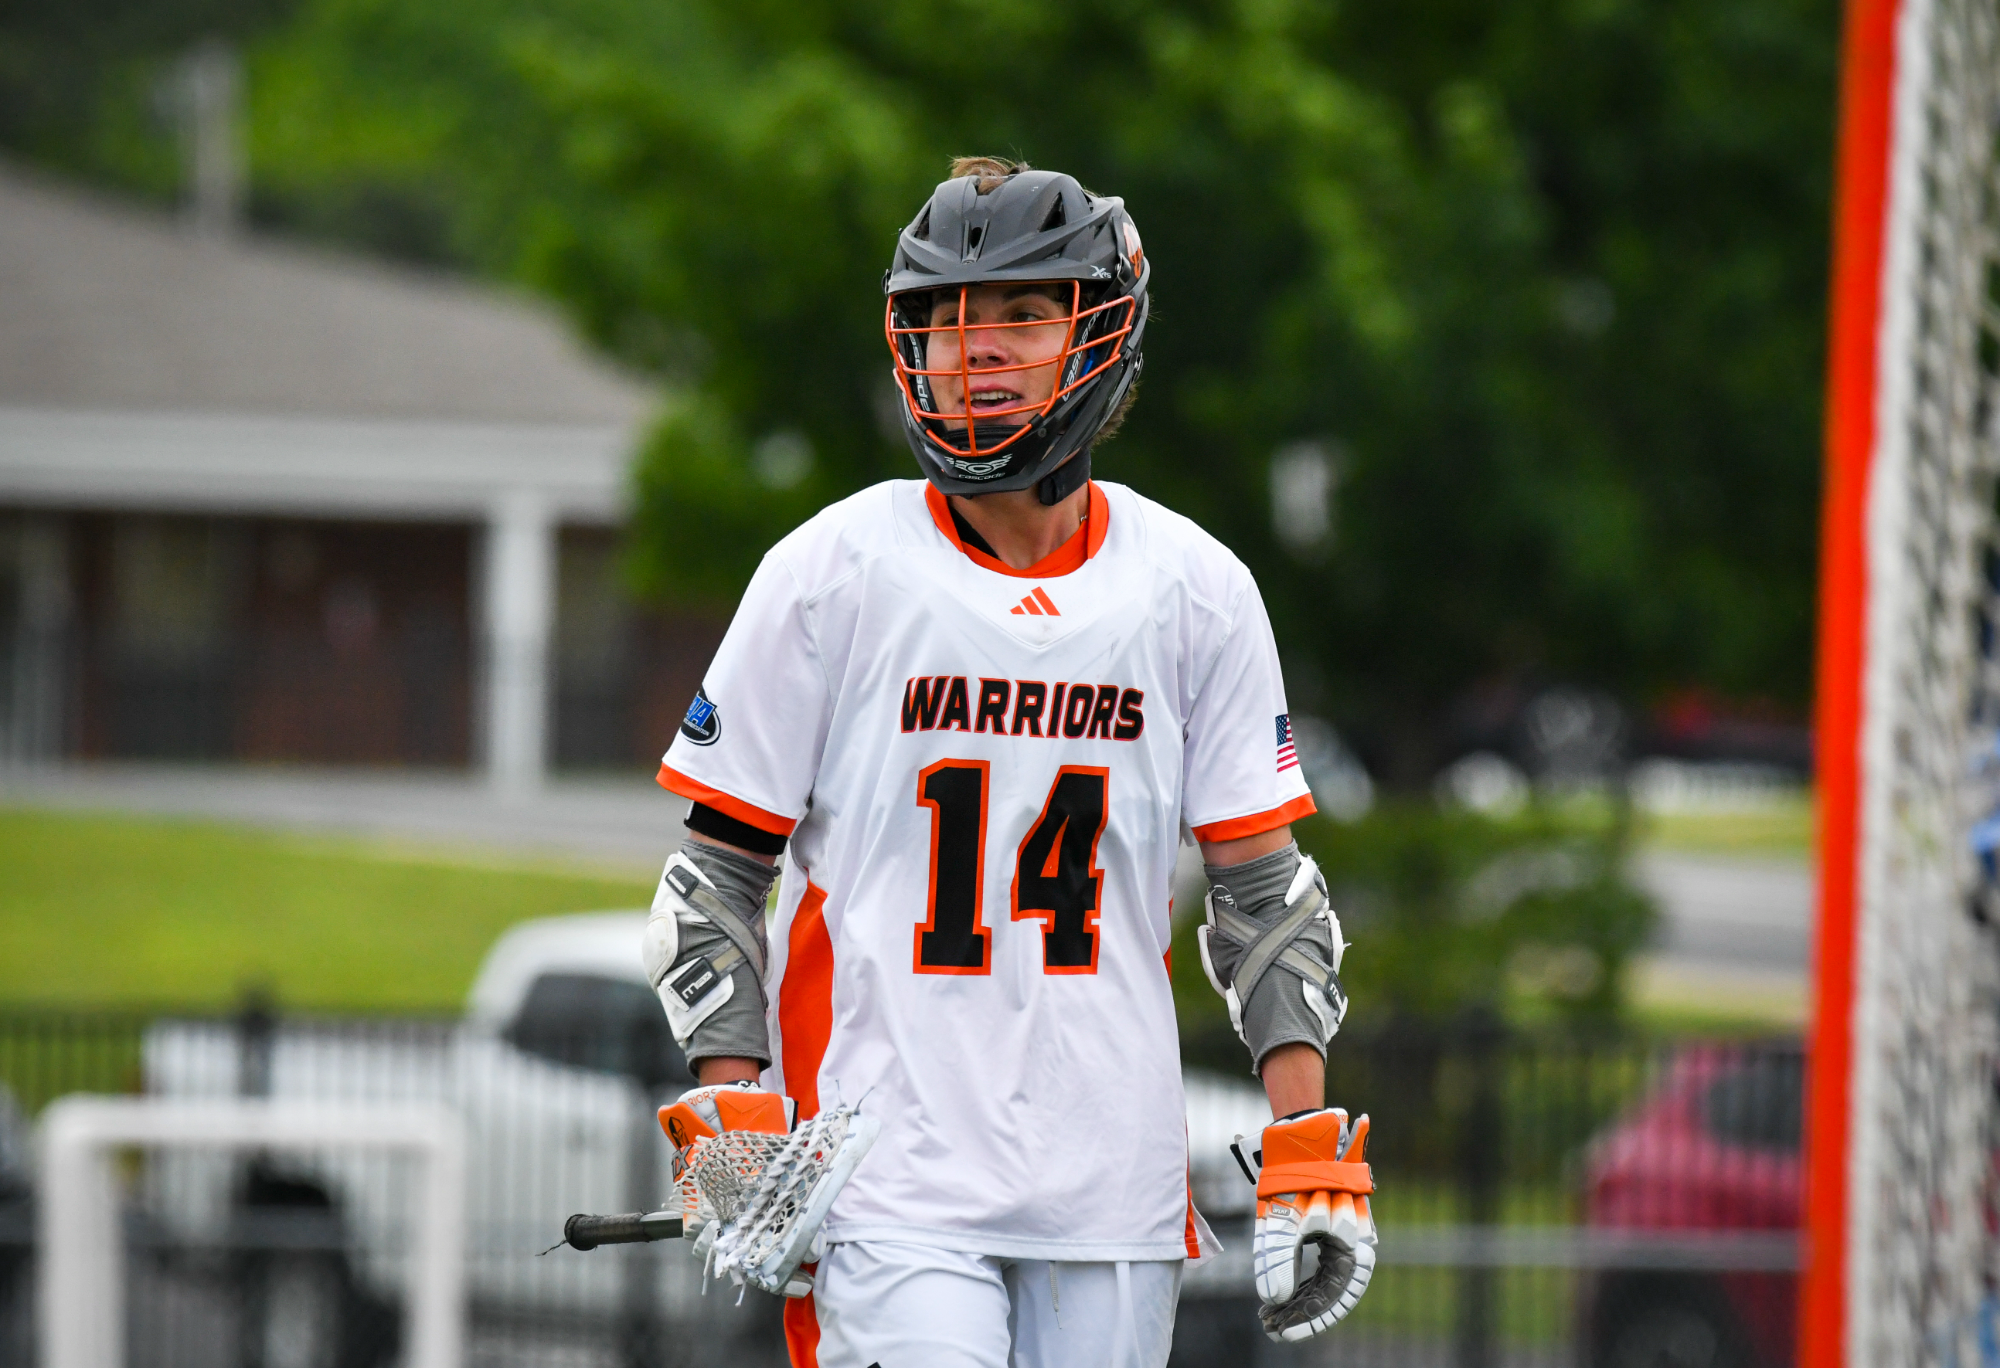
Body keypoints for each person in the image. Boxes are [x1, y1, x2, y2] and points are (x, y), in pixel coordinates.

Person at [642, 156, 1375, 1368]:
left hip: (1112, 1191)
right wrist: (731, 1115)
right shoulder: (833, 570)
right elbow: (714, 877)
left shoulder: (1194, 587)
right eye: (944, 317)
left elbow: (1263, 896)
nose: (972, 348)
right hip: (886, 1183)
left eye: (1020, 313)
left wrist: (1303, 1143)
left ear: (1103, 330)